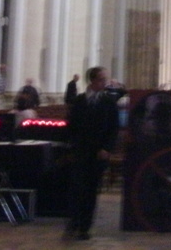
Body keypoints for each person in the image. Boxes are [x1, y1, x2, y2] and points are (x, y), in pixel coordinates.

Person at [63, 66, 119, 241]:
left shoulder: (108, 102)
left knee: (91, 191)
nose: (105, 82)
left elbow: (113, 128)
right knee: (77, 188)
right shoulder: (80, 101)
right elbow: (71, 126)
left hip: (98, 153)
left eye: (105, 79)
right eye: (102, 79)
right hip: (81, 151)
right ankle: (73, 222)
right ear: (93, 81)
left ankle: (84, 227)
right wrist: (72, 147)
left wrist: (107, 148)